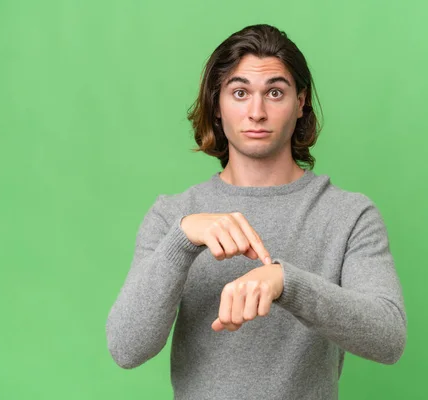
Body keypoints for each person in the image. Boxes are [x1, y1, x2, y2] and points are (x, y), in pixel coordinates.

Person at [106, 24, 406, 399]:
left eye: (275, 93)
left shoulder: (349, 215)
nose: (257, 112)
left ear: (300, 103)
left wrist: (285, 283)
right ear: (217, 104)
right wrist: (182, 240)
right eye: (240, 92)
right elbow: (126, 348)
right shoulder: (173, 216)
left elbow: (388, 337)